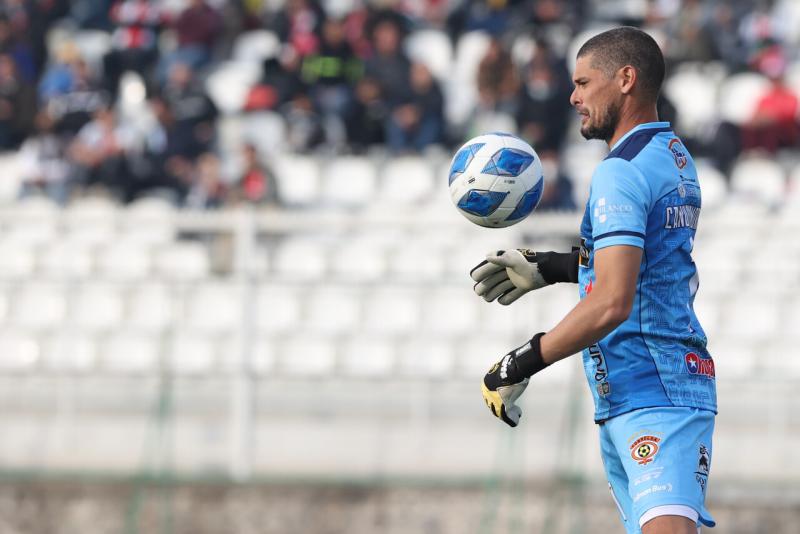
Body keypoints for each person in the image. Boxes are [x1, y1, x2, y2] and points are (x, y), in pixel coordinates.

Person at [471, 27, 716, 534]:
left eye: (583, 82)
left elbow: (611, 302)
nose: (573, 97)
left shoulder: (620, 171)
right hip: (639, 392)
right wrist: (550, 268)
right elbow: (645, 263)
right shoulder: (670, 154)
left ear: (625, 79)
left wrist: (523, 361)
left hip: (653, 393)